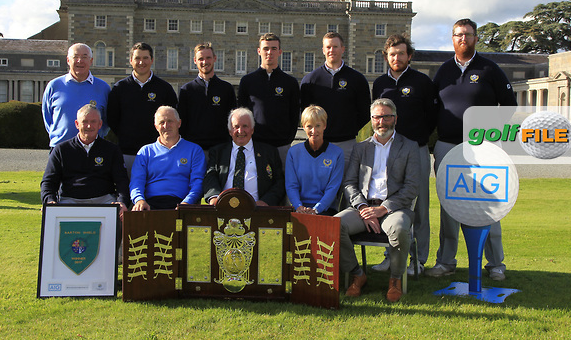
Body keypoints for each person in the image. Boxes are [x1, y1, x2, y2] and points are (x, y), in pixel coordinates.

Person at [425, 19, 517, 281]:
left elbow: (509, 105)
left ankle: (495, 263)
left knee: (488, 203)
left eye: (467, 34)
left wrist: (489, 132)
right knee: (448, 206)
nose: (463, 38)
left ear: (476, 38)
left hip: (481, 148)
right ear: (452, 39)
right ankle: (445, 261)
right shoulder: (443, 71)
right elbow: (433, 111)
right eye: (458, 35)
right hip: (447, 146)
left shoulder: (490, 69)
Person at [335, 98, 419, 302]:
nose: (382, 121)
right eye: (377, 117)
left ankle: (395, 280)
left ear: (395, 119)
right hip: (362, 207)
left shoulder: (409, 147)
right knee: (334, 225)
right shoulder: (360, 148)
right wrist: (363, 207)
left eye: (386, 116)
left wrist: (383, 209)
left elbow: (412, 186)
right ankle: (357, 274)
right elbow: (349, 183)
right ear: (371, 120)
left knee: (399, 229)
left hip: (395, 209)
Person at [370, 34, 438, 276]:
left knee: (419, 208)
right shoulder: (380, 84)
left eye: (400, 53)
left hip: (416, 150)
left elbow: (432, 117)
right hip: (388, 153)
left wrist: (417, 140)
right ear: (386, 57)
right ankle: (391, 256)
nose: (396, 57)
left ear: (409, 55)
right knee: (391, 206)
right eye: (392, 54)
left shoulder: (422, 81)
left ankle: (418, 260)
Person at [41, 104, 129, 218]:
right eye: (85, 121)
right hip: (70, 201)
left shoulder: (112, 150)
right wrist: (49, 200)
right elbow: (48, 182)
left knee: (118, 217)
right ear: (77, 124)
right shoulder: (61, 150)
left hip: (104, 201)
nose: (89, 126)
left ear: (100, 124)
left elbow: (122, 180)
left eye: (93, 121)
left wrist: (122, 201)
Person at [300, 32, 371, 168]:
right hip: (318, 143)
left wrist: (348, 129)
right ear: (323, 50)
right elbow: (304, 113)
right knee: (318, 186)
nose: (331, 50)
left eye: (335, 46)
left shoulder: (357, 79)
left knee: (347, 184)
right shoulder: (310, 80)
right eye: (328, 47)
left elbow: (364, 112)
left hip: (346, 144)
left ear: (342, 49)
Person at [107, 42, 178, 177]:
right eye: (137, 58)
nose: (141, 62)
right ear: (131, 61)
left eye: (145, 58)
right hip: (127, 152)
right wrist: (126, 134)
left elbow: (173, 119)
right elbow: (112, 118)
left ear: (151, 60)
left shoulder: (164, 88)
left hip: (157, 152)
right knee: (128, 192)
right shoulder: (119, 88)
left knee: (155, 192)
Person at [238, 33, 300, 166]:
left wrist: (288, 138)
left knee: (282, 182)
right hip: (256, 145)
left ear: (280, 52)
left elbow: (294, 114)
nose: (269, 52)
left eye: (273, 49)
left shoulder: (290, 82)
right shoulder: (247, 81)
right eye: (266, 48)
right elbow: (242, 113)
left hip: (282, 146)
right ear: (259, 51)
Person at [204, 107, 285, 206]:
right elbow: (210, 176)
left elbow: (279, 182)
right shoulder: (217, 152)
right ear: (230, 131)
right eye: (236, 126)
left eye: (245, 126)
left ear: (252, 129)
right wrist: (214, 197)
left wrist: (266, 201)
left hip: (257, 209)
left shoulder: (269, 152)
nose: (240, 131)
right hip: (224, 207)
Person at [130, 106, 206, 210]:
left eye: (170, 121)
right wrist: (139, 200)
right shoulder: (145, 152)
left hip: (181, 204)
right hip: (149, 205)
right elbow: (136, 181)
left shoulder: (194, 151)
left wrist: (187, 203)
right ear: (156, 126)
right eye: (161, 122)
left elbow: (198, 182)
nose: (166, 126)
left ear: (179, 123)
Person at [42, 43, 111, 147]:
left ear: (91, 61)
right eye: (75, 57)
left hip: (94, 148)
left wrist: (98, 135)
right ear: (68, 60)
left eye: (84, 57)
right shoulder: (54, 85)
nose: (80, 60)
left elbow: (107, 120)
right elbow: (48, 117)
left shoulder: (103, 88)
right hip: (60, 148)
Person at [178, 42, 237, 157]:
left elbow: (232, 121)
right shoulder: (186, 90)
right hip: (194, 150)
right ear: (195, 61)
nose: (205, 62)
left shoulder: (226, 89)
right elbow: (182, 124)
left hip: (221, 149)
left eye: (208, 58)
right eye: (201, 59)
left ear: (214, 59)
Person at [285, 105, 344, 216]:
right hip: (299, 209)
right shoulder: (293, 152)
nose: (314, 131)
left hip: (326, 210)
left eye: (318, 126)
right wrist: (298, 206)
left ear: (324, 126)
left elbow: (333, 187)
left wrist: (317, 209)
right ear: (303, 127)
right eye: (309, 126)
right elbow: (291, 185)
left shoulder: (337, 153)